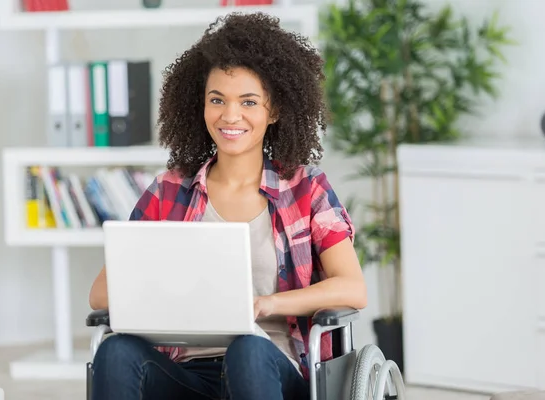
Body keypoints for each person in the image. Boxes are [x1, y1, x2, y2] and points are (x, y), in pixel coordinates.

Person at [88, 11, 367, 400]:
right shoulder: (169, 190)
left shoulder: (306, 188)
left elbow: (352, 288)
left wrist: (265, 305)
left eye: (248, 102)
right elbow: (101, 296)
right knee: (116, 350)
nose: (230, 115)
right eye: (217, 99)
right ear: (199, 105)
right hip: (187, 368)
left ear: (275, 111)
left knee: (247, 349)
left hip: (269, 364)